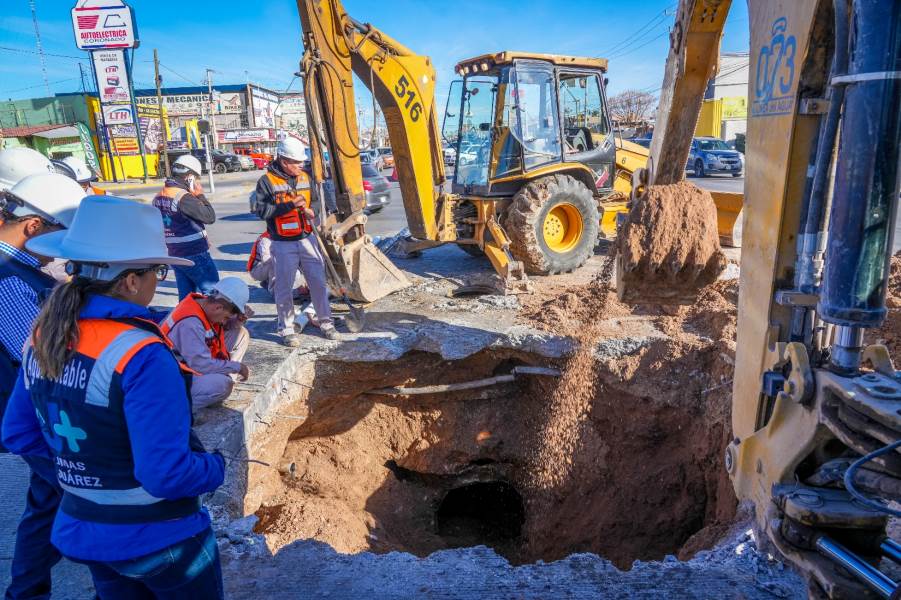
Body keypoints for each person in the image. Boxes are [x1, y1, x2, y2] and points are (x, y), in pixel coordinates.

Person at [2, 195, 226, 599]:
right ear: (130, 280)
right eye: (156, 270)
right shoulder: (141, 354)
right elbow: (165, 474)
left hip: (84, 531)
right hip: (160, 538)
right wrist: (214, 468)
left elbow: (18, 433)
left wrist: (81, 475)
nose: (159, 279)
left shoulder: (42, 336)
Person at [0, 172, 84, 600]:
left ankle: (26, 591)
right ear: (33, 226)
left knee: (45, 506)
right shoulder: (10, 279)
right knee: (89, 499)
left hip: (33, 420)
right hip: (36, 419)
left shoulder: (23, 269)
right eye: (58, 234)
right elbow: (38, 359)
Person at [254, 137, 337, 346]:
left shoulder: (305, 177)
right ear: (284, 161)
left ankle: (326, 322)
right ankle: (287, 328)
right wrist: (289, 206)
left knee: (318, 282)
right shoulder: (266, 182)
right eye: (297, 162)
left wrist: (313, 211)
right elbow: (262, 211)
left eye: (302, 162)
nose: (301, 165)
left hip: (307, 238)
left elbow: (316, 203)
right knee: (283, 286)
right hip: (282, 243)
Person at [161, 277, 252, 410]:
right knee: (222, 385)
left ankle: (220, 381)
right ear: (218, 307)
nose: (224, 322)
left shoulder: (202, 303)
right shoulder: (190, 323)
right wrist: (237, 367)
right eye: (226, 317)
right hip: (172, 378)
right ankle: (178, 410)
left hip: (190, 363)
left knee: (240, 333)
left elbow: (215, 328)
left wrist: (236, 321)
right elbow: (201, 365)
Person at [152, 154, 219, 300]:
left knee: (187, 297)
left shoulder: (159, 196)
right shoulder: (183, 197)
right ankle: (210, 323)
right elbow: (209, 217)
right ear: (190, 177)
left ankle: (186, 321)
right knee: (213, 295)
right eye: (197, 178)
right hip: (194, 253)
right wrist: (200, 195)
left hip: (175, 254)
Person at [246, 229, 308, 298]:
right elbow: (266, 260)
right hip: (257, 269)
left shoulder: (284, 237)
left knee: (295, 272)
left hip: (271, 266)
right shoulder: (265, 239)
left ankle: (272, 284)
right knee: (274, 262)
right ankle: (276, 293)